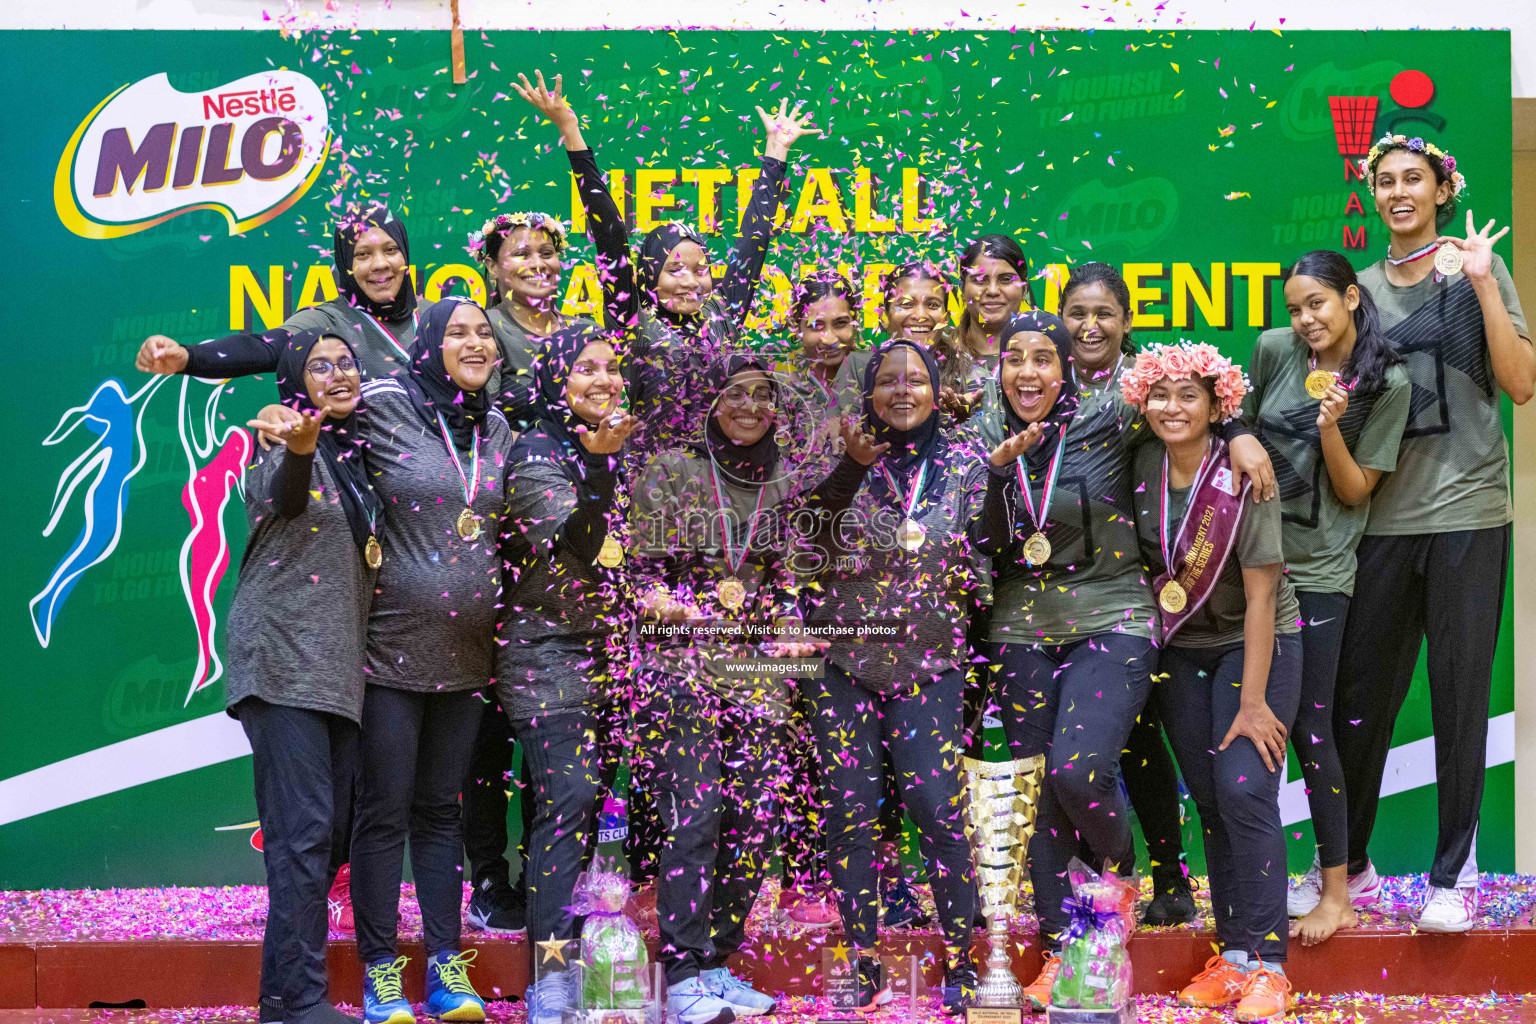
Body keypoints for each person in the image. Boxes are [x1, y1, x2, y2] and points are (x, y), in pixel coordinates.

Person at [1331, 135, 1533, 931]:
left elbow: (1520, 384)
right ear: (1372, 196)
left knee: (1458, 695)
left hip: (1470, 517)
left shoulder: (1476, 270)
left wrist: (1483, 282)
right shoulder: (1358, 292)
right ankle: (1353, 868)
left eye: (1414, 179)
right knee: (1359, 700)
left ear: (1442, 190)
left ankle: (1453, 878)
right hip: (1379, 525)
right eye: (1385, 181)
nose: (1399, 191)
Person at [789, 339, 984, 1015]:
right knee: (850, 813)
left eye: (917, 380)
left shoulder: (966, 458)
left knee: (938, 810)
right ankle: (863, 956)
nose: (903, 391)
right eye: (888, 381)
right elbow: (803, 547)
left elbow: (993, 547)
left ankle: (964, 957)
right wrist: (850, 467)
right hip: (845, 663)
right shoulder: (834, 452)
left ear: (937, 389)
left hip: (933, 664)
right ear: (868, 392)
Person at [965, 311, 1152, 1009]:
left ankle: (1120, 873)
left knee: (1079, 768)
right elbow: (979, 541)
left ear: (1069, 364)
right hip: (1018, 629)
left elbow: (1188, 408)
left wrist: (1245, 436)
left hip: (1112, 617)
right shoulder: (981, 434)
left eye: (1044, 358)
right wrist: (994, 475)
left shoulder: (1110, 416)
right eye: (1015, 359)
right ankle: (1060, 942)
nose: (1028, 373)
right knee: (1039, 787)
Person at [347, 297, 514, 1024]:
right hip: (388, 652)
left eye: (485, 332)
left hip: (468, 658)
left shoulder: (499, 426)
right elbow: (312, 426)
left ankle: (446, 966)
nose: (475, 342)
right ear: (429, 344)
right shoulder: (384, 405)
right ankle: (382, 971)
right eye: (459, 332)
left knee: (441, 814)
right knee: (384, 815)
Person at [1125, 342, 1302, 1023]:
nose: (1173, 407)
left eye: (1188, 396)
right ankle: (1233, 957)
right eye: (1161, 395)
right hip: (1183, 648)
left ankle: (1270, 965)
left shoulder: (1242, 469)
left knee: (1244, 785)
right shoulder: (1141, 463)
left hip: (1257, 644)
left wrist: (1254, 703)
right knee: (1208, 795)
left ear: (1216, 404)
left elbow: (1262, 598)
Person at [517, 69, 819, 457]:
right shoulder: (631, 320)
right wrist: (570, 130)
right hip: (652, 485)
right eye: (674, 270)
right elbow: (610, 234)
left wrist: (776, 151)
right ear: (648, 276)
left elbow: (752, 241)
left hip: (721, 480)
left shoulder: (722, 312)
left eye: (700, 269)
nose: (691, 281)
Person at [1244, 250, 1410, 946]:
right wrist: (1243, 442)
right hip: (1253, 567)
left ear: (1350, 298)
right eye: (1294, 308)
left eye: (1317, 303)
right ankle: (1248, 884)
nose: (1305, 319)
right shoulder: (1275, 350)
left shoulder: (1388, 380)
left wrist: (1330, 426)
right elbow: (1240, 425)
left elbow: (1355, 491)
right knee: (1246, 727)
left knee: (1313, 729)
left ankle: (1338, 889)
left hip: (1321, 574)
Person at [628, 354, 800, 1024]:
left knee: (758, 817)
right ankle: (683, 969)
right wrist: (661, 601)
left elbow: (790, 577)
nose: (750, 407)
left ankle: (717, 961)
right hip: (682, 660)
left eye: (763, 396)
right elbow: (636, 572)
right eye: (736, 394)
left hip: (755, 668)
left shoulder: (790, 479)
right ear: (709, 401)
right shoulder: (672, 470)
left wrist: (788, 622)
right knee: (695, 814)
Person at [232, 331, 380, 1024]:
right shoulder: (278, 442)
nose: (338, 372)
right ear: (294, 379)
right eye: (320, 365)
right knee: (302, 834)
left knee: (323, 837)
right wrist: (297, 449)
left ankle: (279, 998)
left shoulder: (362, 457)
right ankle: (302, 1002)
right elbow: (286, 499)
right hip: (284, 664)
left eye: (347, 362)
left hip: (336, 675)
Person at [499, 324, 637, 1024]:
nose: (605, 381)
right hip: (546, 652)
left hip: (620, 653)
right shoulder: (535, 451)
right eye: (586, 369)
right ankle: (550, 973)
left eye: (612, 369)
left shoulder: (625, 445)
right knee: (569, 800)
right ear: (556, 380)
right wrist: (605, 467)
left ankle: (608, 961)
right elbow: (581, 545)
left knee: (601, 817)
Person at [1057, 262, 1196, 926]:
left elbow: (1212, 418)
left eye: (1104, 313)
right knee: (1078, 753)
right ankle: (1097, 878)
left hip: (1139, 589)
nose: (1090, 326)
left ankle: (1169, 876)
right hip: (1051, 596)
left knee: (1143, 741)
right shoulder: (1036, 378)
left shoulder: (1150, 386)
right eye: (1077, 314)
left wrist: (1246, 437)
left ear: (1127, 321)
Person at [136, 207, 425, 382]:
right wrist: (188, 357)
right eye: (362, 254)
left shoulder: (435, 318)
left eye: (390, 250)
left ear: (405, 254)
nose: (380, 264)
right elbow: (265, 347)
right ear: (345, 265)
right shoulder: (332, 321)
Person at [937, 234, 1035, 417]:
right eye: (980, 280)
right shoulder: (939, 356)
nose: (992, 291)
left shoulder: (1045, 357)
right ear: (962, 291)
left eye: (1006, 279)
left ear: (1024, 289)